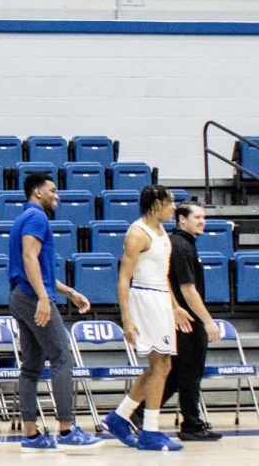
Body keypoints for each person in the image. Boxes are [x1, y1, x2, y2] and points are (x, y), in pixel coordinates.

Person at [8, 172, 102, 451]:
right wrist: (43, 298)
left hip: (19, 295)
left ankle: (31, 435)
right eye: (52, 190)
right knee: (62, 357)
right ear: (37, 192)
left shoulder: (22, 218)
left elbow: (39, 269)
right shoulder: (37, 218)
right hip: (31, 296)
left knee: (31, 368)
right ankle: (66, 428)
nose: (56, 196)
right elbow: (29, 258)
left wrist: (69, 292)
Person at [101, 185, 192, 452]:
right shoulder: (137, 234)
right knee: (160, 364)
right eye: (170, 202)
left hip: (160, 298)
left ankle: (120, 417)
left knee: (161, 366)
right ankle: (149, 431)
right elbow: (123, 278)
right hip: (144, 298)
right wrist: (126, 319)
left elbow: (162, 274)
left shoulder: (162, 232)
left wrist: (174, 306)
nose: (173, 207)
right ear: (156, 204)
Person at [132, 201, 223, 442]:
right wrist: (207, 321)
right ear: (182, 219)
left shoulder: (181, 244)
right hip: (185, 319)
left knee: (173, 374)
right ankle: (191, 425)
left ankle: (138, 411)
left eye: (204, 217)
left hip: (174, 317)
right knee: (190, 373)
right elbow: (187, 289)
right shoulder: (181, 246)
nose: (202, 221)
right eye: (197, 217)